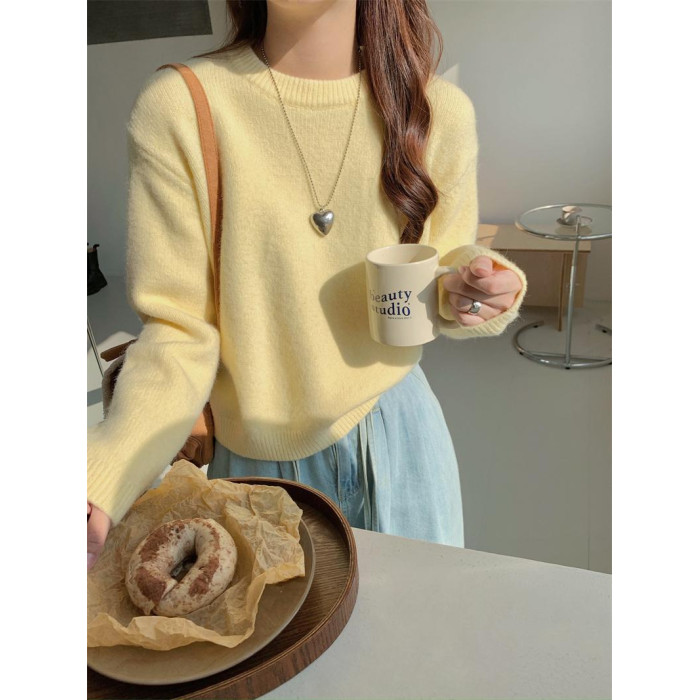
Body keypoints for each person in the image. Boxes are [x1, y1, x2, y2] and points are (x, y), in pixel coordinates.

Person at [87, 0, 527, 570]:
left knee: (429, 623)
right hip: (259, 463)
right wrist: (104, 474)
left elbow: (440, 260)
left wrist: (475, 286)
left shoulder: (437, 110)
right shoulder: (181, 107)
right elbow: (178, 329)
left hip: (401, 439)